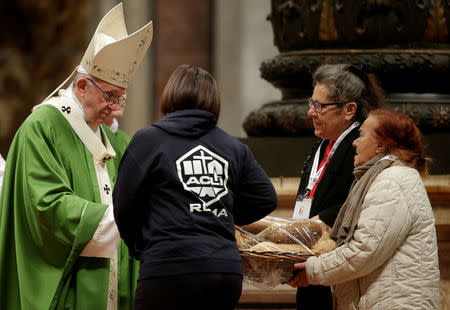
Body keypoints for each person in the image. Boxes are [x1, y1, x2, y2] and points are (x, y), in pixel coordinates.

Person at [0, 3, 152, 309]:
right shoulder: (43, 127)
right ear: (82, 86)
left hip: (107, 275)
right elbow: (45, 205)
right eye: (109, 96)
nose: (115, 105)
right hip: (67, 283)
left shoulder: (105, 135)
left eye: (121, 96)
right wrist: (116, 220)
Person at [112, 64, 278, 310]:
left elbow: (123, 205)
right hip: (223, 270)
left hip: (167, 267)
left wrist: (144, 246)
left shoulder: (148, 141)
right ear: (214, 102)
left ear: (170, 96)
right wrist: (221, 212)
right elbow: (266, 198)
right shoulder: (232, 146)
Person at [288, 109, 440, 309]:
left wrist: (313, 270)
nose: (355, 142)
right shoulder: (384, 178)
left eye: (361, 135)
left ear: (380, 145)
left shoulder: (392, 181)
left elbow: (364, 251)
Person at [292, 63, 385, 309]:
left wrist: (308, 227)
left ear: (349, 109)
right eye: (311, 103)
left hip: (336, 271)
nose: (311, 112)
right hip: (311, 260)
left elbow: (355, 204)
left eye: (320, 106)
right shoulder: (322, 145)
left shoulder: (360, 147)